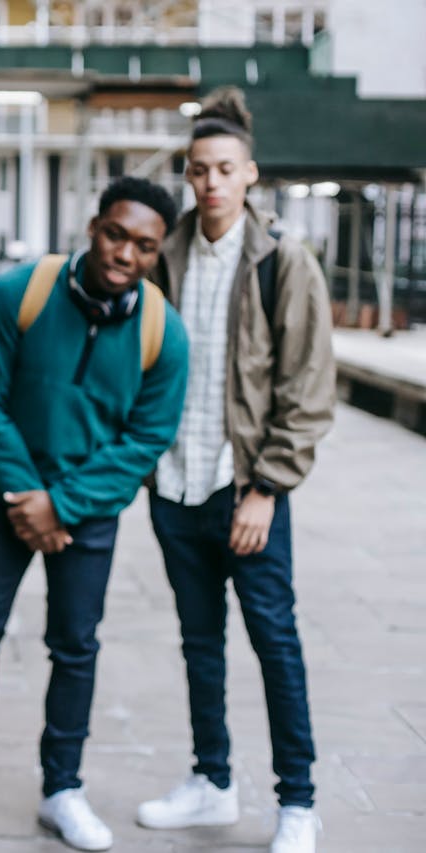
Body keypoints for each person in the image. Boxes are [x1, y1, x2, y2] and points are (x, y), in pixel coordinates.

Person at [0, 177, 189, 851]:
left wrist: (64, 503)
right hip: (0, 500)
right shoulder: (21, 292)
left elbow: (146, 439)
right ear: (93, 226)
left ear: (156, 253)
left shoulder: (165, 333)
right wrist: (26, 495)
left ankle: (63, 789)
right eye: (117, 234)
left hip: (89, 512)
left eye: (144, 245)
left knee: (75, 647)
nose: (125, 254)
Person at [135, 88, 335, 853]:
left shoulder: (285, 262)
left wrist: (267, 488)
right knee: (199, 642)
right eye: (198, 170)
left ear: (249, 173)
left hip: (247, 492)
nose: (211, 182)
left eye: (225, 168)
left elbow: (307, 389)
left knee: (274, 641)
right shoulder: (167, 256)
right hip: (177, 488)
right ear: (187, 176)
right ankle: (212, 781)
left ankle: (299, 800)